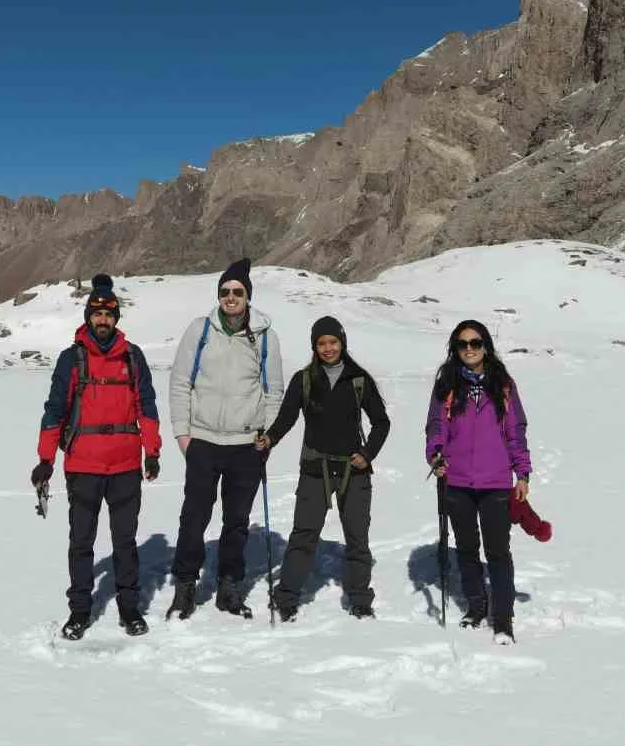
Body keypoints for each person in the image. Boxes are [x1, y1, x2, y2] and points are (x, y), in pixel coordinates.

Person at [31, 273, 161, 641]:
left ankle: (129, 609)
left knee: (125, 542)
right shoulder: (71, 359)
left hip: (125, 466)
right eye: (97, 313)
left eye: (109, 314)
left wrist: (151, 451)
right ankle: (80, 612)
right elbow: (54, 410)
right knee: (81, 543)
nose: (103, 320)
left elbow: (146, 406)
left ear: (116, 318)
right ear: (88, 316)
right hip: (83, 466)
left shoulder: (133, 358)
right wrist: (45, 459)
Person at [164, 257, 283, 619]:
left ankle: (229, 586)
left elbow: (273, 390)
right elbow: (181, 382)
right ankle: (185, 586)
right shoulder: (200, 330)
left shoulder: (264, 337)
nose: (231, 297)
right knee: (194, 517)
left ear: (248, 296)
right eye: (225, 291)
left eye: (238, 291)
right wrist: (183, 434)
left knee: (236, 521)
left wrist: (267, 436)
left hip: (246, 446)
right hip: (202, 441)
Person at [257, 315, 389, 621]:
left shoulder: (359, 379)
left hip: (353, 472)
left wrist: (368, 454)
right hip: (315, 468)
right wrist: (270, 439)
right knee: (304, 534)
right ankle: (287, 597)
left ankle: (360, 599)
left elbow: (381, 422)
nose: (328, 349)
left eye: (333, 342)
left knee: (357, 537)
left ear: (342, 342)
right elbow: (287, 418)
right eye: (321, 343)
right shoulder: (304, 379)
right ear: (314, 346)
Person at [424, 319, 532, 643]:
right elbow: (435, 428)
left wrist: (522, 473)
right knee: (467, 549)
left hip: (496, 481)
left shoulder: (502, 384)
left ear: (486, 346)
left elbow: (516, 431)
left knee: (498, 551)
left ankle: (503, 617)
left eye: (475, 343)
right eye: (463, 344)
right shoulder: (447, 383)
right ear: (455, 349)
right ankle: (476, 606)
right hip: (456, 480)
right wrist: (435, 455)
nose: (469, 349)